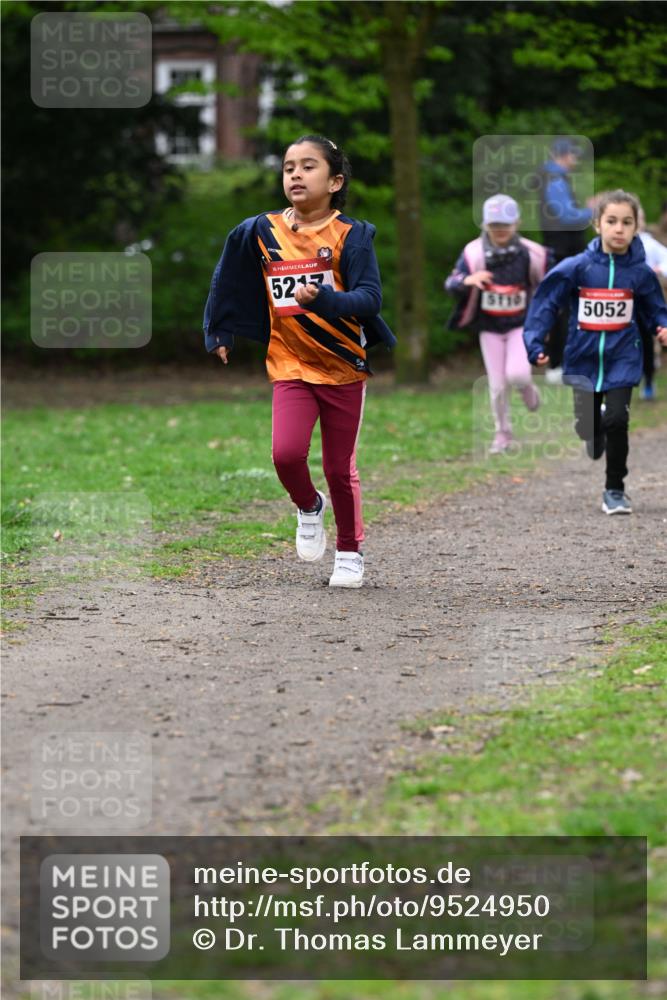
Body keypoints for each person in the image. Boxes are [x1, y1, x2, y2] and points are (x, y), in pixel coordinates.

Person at [203, 135, 395, 588]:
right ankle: (310, 506)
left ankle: (349, 550)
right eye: (289, 166)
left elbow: (370, 299)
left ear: (335, 181)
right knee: (286, 454)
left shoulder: (353, 235)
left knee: (337, 467)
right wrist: (220, 328)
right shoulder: (261, 230)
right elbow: (227, 276)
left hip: (343, 365)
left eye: (308, 167)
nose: (295, 174)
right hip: (289, 362)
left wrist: (325, 300)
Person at [523, 189, 667, 515]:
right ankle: (593, 426)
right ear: (597, 225)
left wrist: (662, 326)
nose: (619, 229)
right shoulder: (578, 267)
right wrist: (535, 342)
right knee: (585, 428)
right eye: (612, 221)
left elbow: (656, 309)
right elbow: (546, 302)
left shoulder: (641, 273)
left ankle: (615, 489)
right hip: (583, 358)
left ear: (635, 228)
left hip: (623, 357)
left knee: (618, 419)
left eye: (626, 222)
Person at [445, 193, 550, 454]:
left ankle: (528, 389)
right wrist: (468, 281)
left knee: (517, 374)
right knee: (497, 384)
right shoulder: (473, 253)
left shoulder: (532, 253)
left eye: (505, 224)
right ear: (485, 225)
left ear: (516, 223)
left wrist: (544, 322)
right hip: (489, 328)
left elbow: (548, 286)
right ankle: (503, 434)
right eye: (494, 225)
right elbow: (452, 282)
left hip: (520, 325)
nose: (500, 230)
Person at [539, 139, 593, 384]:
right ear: (562, 155)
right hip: (563, 254)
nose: (575, 160)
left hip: (565, 253)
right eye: (572, 155)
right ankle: (557, 365)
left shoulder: (555, 179)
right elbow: (567, 216)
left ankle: (563, 363)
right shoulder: (555, 181)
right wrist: (593, 210)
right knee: (564, 308)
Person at [637, 207, 667, 400]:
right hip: (618, 305)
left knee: (645, 342)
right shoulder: (612, 244)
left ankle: (648, 380)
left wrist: (659, 269)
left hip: (643, 303)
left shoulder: (648, 244)